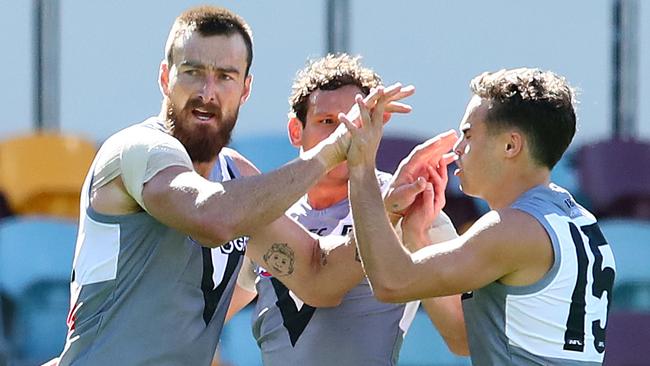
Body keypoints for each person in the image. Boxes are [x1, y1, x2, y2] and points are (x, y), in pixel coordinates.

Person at [54, 6, 415, 366]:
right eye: (193, 72)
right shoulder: (136, 149)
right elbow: (210, 216)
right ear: (165, 78)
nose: (207, 92)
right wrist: (333, 149)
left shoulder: (236, 177)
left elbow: (317, 277)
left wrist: (386, 211)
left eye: (225, 76)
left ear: (246, 88)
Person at [343, 68, 616, 365]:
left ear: (511, 146)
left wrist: (360, 167)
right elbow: (464, 339)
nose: (459, 148)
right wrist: (419, 237)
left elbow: (391, 282)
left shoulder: (514, 228)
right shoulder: (578, 218)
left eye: (468, 134)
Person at [225, 54, 466, 365]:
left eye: (356, 120)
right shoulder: (269, 212)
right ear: (296, 131)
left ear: (377, 125)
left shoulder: (410, 205)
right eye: (327, 122)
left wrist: (416, 238)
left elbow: (461, 338)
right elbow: (208, 317)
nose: (343, 134)